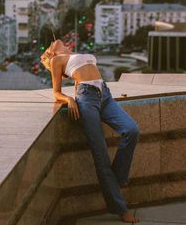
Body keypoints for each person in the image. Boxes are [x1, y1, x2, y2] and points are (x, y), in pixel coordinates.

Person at [40, 39, 140, 223]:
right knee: (101, 156)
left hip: (105, 95)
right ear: (51, 54)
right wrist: (69, 100)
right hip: (86, 100)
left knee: (132, 129)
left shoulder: (73, 54)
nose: (54, 41)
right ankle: (120, 209)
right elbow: (56, 92)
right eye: (49, 46)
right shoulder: (57, 60)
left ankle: (116, 178)